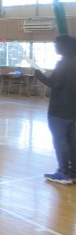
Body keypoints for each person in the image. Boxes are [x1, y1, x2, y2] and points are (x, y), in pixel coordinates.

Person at [34, 34, 76, 184]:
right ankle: (73, 171)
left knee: (60, 141)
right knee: (71, 141)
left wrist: (39, 75)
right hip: (72, 110)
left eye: (56, 45)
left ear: (64, 47)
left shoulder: (63, 63)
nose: (55, 48)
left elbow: (54, 84)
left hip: (59, 110)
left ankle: (63, 172)